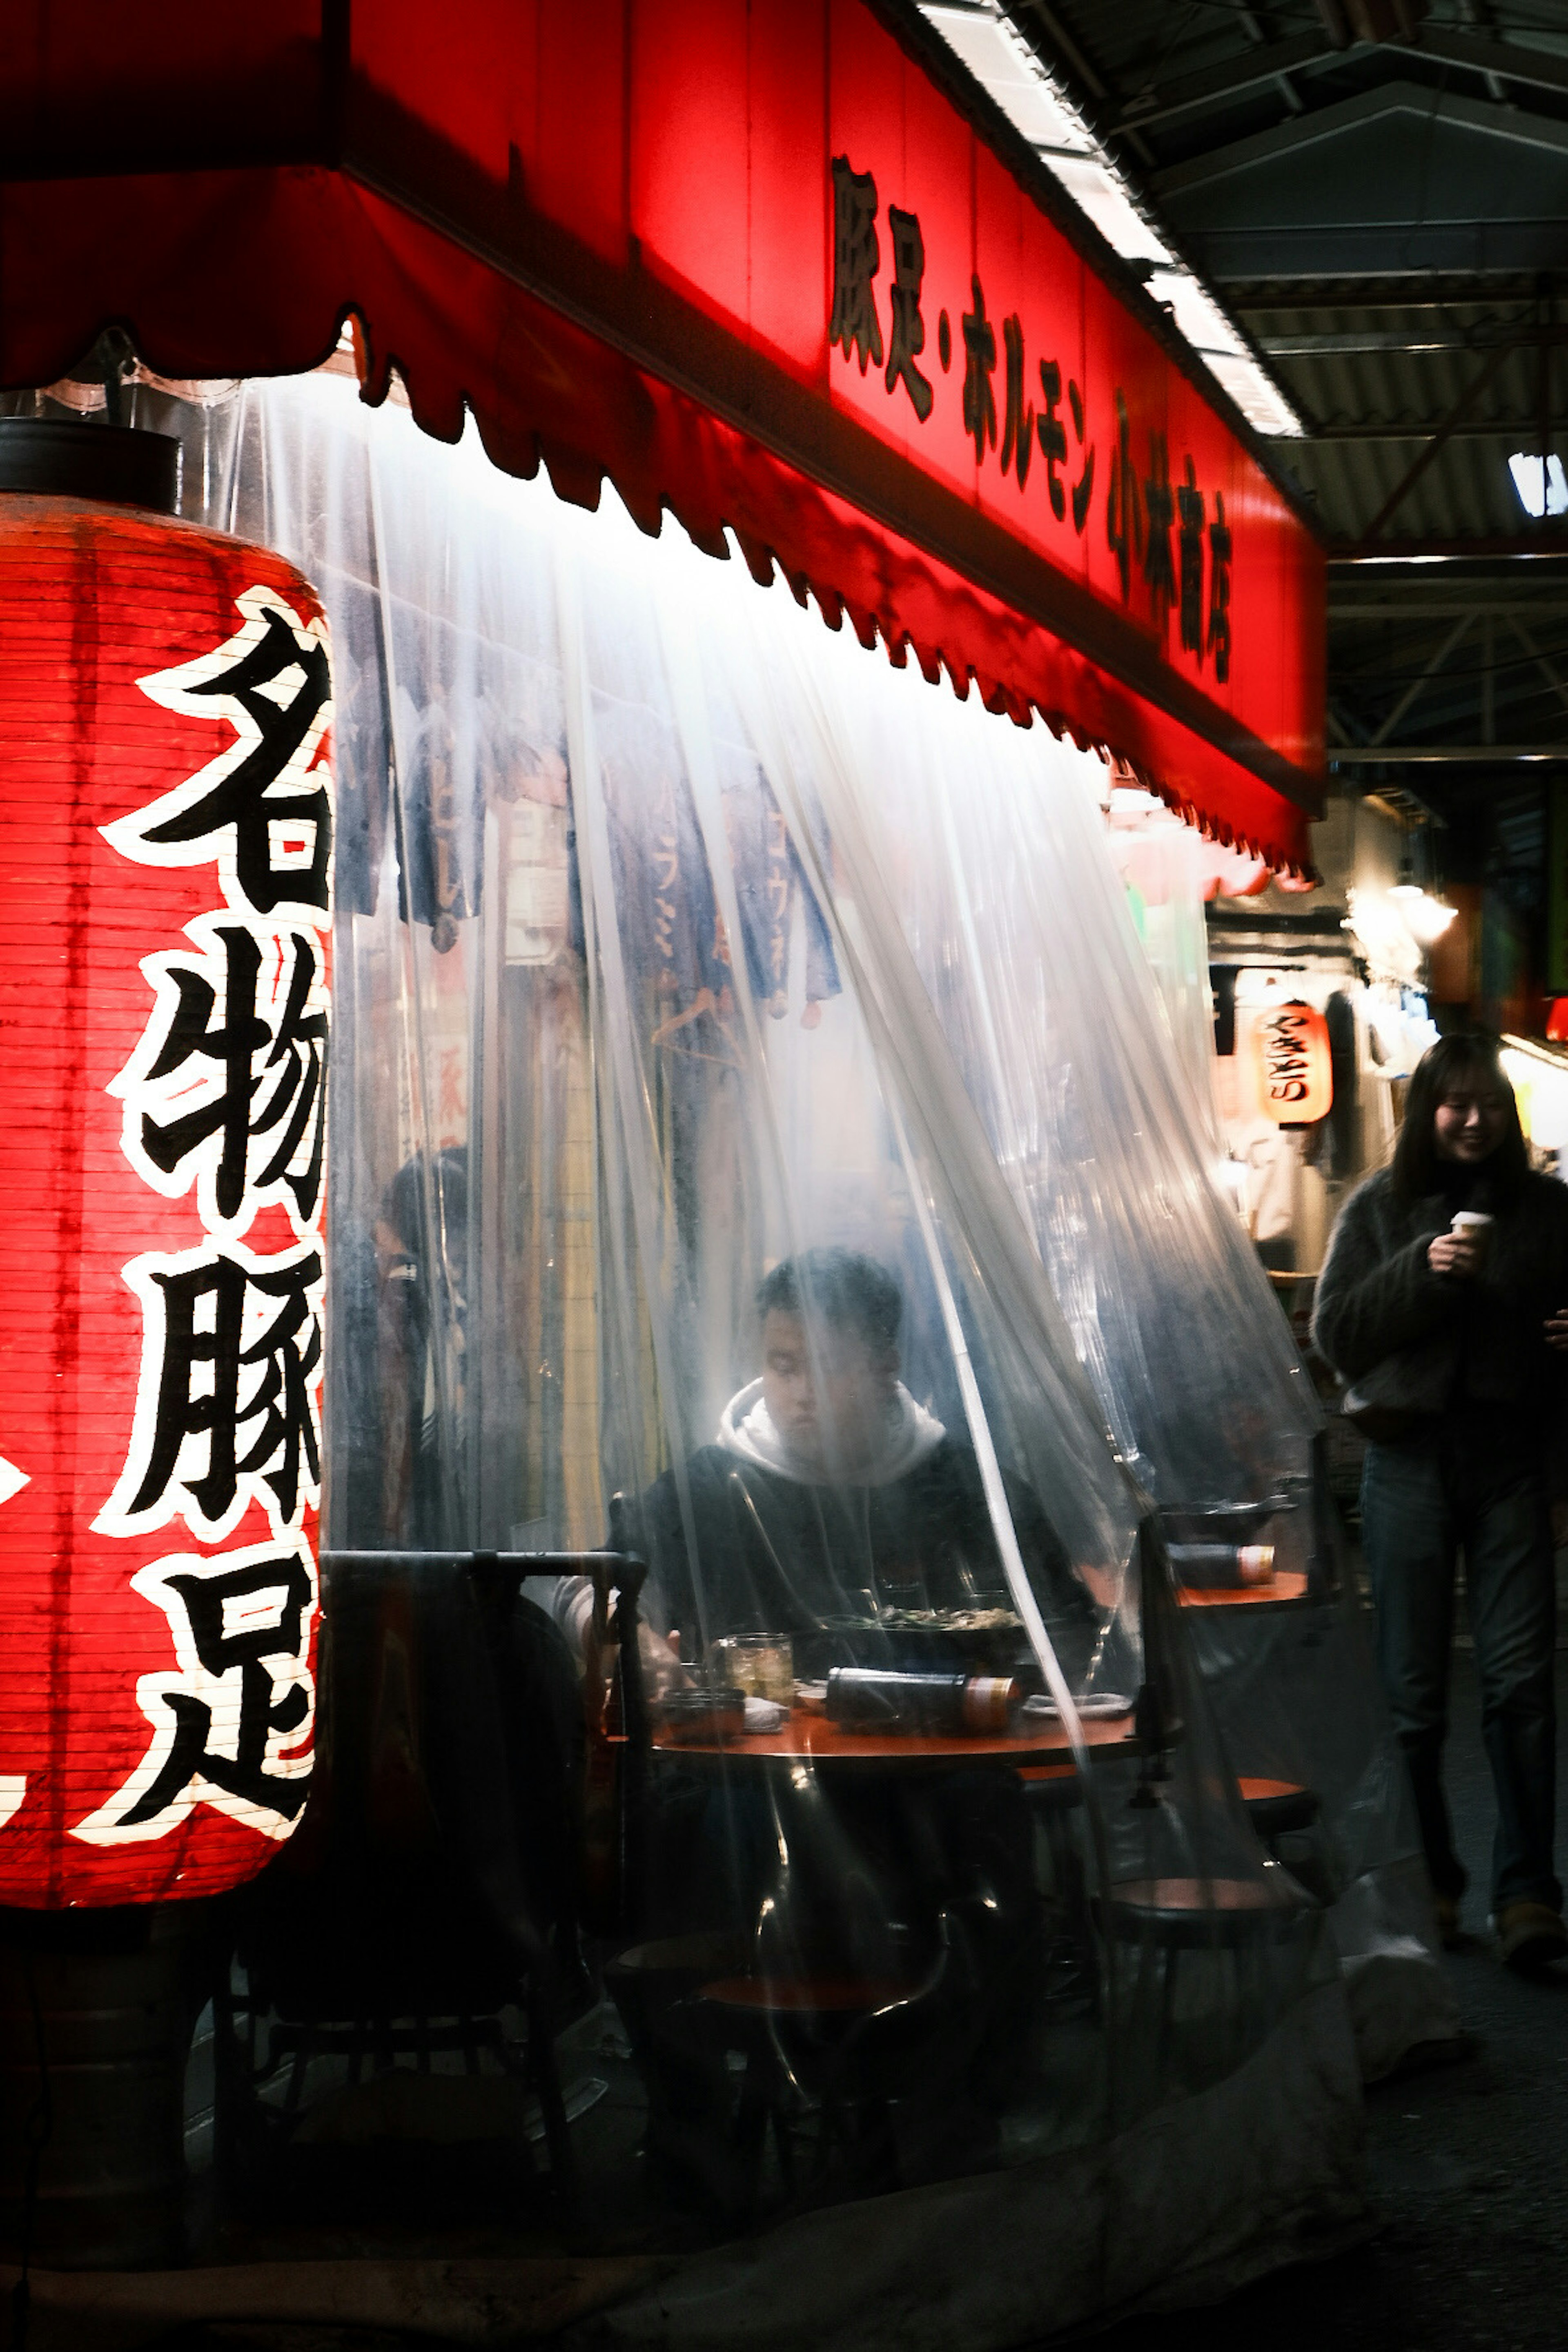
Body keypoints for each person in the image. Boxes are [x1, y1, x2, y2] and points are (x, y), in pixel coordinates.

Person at [1312, 1033, 1568, 1972]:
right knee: (1413, 1698)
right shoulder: (1378, 1209)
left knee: (1521, 1689)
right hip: (1408, 1461)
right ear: (1426, 1113)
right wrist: (1422, 1270)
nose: (1472, 1120)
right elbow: (1338, 1336)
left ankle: (1530, 1895)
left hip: (1511, 1464)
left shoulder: (1549, 1212)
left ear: (1509, 1116)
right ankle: (1433, 1885)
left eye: (1488, 1104)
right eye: (1453, 1104)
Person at [541, 1244, 1093, 1677]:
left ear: (887, 1367)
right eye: (784, 1366)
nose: (804, 1393)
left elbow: (1071, 1627)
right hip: (758, 1784)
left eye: (830, 1368)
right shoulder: (709, 1488)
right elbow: (585, 1587)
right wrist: (634, 1646)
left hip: (951, 1775)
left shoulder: (965, 1488)